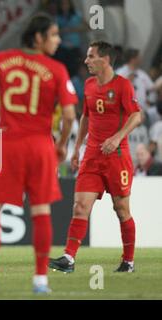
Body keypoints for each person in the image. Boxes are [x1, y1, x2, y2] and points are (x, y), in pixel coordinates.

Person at [0, 13, 78, 295]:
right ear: (38, 38)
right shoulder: (57, 69)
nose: (58, 40)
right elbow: (70, 116)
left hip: (8, 145)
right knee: (40, 211)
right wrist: (61, 144)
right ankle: (40, 281)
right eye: (54, 35)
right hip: (40, 146)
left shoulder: (0, 59)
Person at [49, 41, 142, 274]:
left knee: (121, 209)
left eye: (91, 57)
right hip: (92, 155)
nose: (86, 61)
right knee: (80, 206)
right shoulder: (89, 85)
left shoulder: (123, 86)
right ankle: (68, 259)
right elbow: (85, 118)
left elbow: (136, 116)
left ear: (105, 60)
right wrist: (77, 147)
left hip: (117, 157)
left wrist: (117, 137)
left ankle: (128, 261)